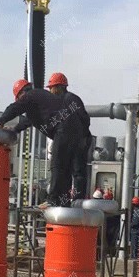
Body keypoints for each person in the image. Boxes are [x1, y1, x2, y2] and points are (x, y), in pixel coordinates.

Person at [0, 78, 91, 208]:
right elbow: (28, 121)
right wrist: (15, 130)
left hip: (63, 130)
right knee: (68, 169)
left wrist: (1, 122)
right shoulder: (39, 101)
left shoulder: (31, 95)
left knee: (57, 165)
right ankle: (66, 201)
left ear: (21, 93)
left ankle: (53, 200)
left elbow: (15, 108)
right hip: (76, 134)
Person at [47, 72, 92, 200]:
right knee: (69, 171)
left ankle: (74, 199)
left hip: (78, 140)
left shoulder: (70, 99)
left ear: (58, 87)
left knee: (75, 170)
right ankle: (67, 199)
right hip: (74, 139)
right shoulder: (62, 101)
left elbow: (84, 119)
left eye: (51, 88)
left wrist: (81, 137)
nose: (50, 91)